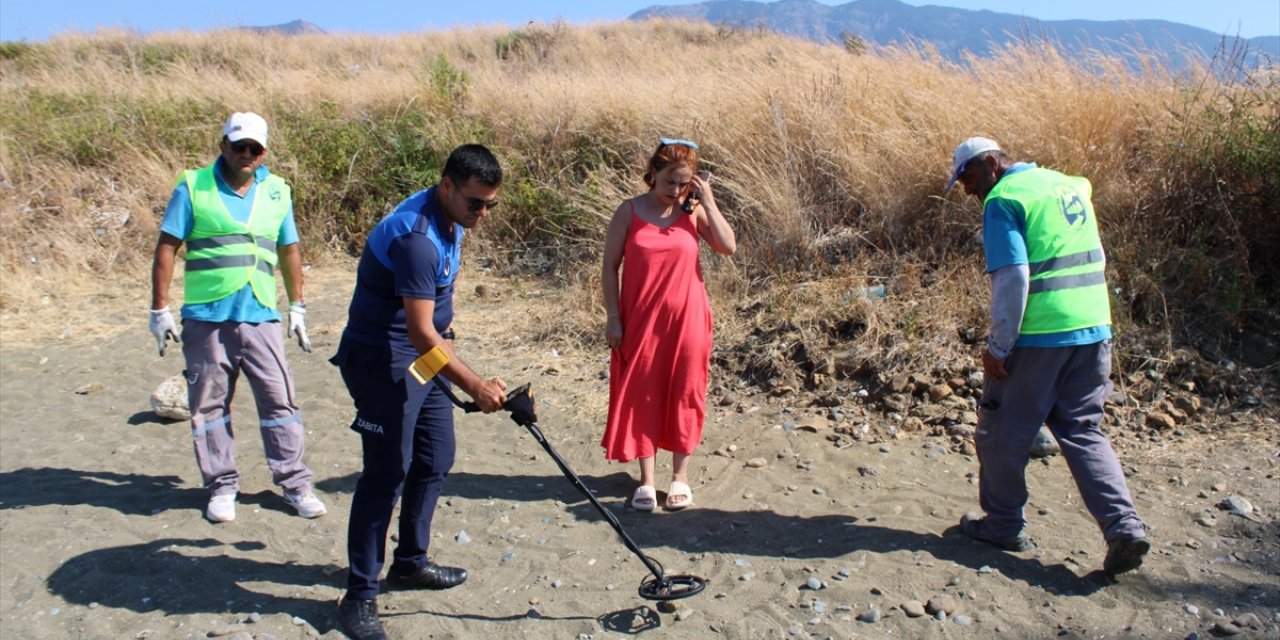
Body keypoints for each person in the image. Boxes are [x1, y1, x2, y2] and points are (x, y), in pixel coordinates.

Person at [946, 136, 1149, 578]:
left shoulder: (1003, 200)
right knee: (1083, 431)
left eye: (969, 176)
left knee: (999, 432)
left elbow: (1014, 279)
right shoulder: (1070, 185)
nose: (967, 189)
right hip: (1094, 328)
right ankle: (1124, 526)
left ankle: (1002, 526)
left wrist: (999, 347)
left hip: (1040, 336)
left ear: (991, 163)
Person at [331, 144, 508, 640]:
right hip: (381, 359)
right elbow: (420, 332)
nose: (483, 214)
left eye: (491, 204)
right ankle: (359, 596)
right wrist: (473, 383)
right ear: (447, 186)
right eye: (476, 203)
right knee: (386, 473)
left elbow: (435, 322)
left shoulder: (451, 218)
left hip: (421, 357)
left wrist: (453, 361)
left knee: (435, 456)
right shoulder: (417, 238)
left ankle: (409, 563)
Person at [149, 112, 325, 525]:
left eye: (255, 149)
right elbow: (167, 246)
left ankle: (295, 483)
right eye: (239, 146)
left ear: (264, 152)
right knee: (209, 407)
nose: (247, 154)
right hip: (207, 317)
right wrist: (159, 308)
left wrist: (297, 305)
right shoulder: (193, 186)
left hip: (260, 314)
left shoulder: (279, 191)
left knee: (280, 400)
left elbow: (289, 251)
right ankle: (222, 486)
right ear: (223, 144)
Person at [601, 138, 736, 512]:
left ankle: (680, 478)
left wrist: (707, 200)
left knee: (685, 391)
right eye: (668, 183)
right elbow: (609, 267)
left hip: (688, 317)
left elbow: (728, 246)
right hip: (641, 318)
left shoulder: (691, 211)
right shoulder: (628, 212)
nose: (674, 191)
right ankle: (646, 480)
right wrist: (613, 317)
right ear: (653, 174)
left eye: (683, 183)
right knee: (643, 391)